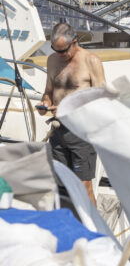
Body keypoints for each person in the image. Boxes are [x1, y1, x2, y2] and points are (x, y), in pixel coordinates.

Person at [38, 22, 106, 204]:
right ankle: (67, 226)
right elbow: (49, 91)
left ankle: (93, 228)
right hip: (58, 132)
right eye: (55, 50)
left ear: (74, 42)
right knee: (60, 186)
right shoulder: (52, 60)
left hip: (81, 133)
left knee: (83, 186)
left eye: (63, 51)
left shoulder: (91, 61)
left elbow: (102, 100)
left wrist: (69, 109)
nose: (60, 55)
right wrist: (45, 103)